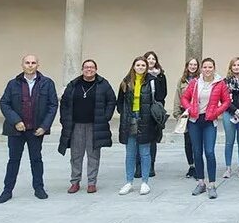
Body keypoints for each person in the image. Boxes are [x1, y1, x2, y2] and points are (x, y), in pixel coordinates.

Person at [0, 55, 58, 204]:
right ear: (22, 65)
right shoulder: (13, 84)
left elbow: (53, 105)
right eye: (27, 63)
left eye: (33, 63)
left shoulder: (47, 83)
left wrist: (44, 126)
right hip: (16, 130)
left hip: (36, 130)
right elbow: (4, 103)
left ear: (38, 65)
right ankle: (7, 191)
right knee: (13, 160)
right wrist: (16, 121)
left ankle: (39, 188)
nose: (30, 65)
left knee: (36, 160)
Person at [58, 59, 116, 194]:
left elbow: (111, 101)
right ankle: (75, 182)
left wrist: (105, 117)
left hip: (94, 125)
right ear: (82, 69)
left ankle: (91, 182)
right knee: (76, 155)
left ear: (96, 69)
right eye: (86, 67)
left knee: (93, 155)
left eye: (91, 67)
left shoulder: (103, 84)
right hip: (76, 125)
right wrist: (64, 120)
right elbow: (65, 104)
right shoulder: (73, 85)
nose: (89, 69)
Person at [180, 58, 231, 199]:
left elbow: (227, 101)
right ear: (201, 69)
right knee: (197, 152)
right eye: (205, 67)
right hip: (195, 121)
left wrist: (216, 112)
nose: (207, 69)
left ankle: (212, 185)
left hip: (210, 121)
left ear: (214, 68)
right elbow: (184, 98)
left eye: (210, 67)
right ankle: (201, 183)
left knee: (209, 152)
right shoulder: (195, 83)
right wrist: (190, 108)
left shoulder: (220, 84)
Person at [116, 57, 158, 196]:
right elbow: (120, 102)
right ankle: (129, 181)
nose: (140, 67)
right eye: (138, 65)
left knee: (145, 152)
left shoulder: (151, 81)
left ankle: (145, 182)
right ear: (133, 66)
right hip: (130, 119)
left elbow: (156, 99)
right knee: (130, 152)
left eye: (143, 65)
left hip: (145, 119)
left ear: (146, 67)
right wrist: (126, 115)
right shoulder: (126, 81)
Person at [138, 51, 167, 178]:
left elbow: (163, 93)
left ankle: (151, 165)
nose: (150, 61)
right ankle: (138, 166)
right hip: (140, 110)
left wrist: (156, 108)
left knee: (152, 140)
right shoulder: (139, 75)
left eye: (153, 59)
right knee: (138, 139)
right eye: (148, 58)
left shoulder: (160, 75)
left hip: (154, 111)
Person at [173, 58, 199, 179]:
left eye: (195, 65)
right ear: (187, 66)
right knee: (188, 142)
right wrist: (177, 113)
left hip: (198, 113)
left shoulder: (201, 80)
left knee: (197, 142)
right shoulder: (182, 81)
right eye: (191, 64)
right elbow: (178, 96)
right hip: (186, 114)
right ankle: (191, 166)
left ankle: (199, 165)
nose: (193, 66)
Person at [223, 57, 239, 179]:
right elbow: (223, 99)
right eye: (234, 65)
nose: (237, 67)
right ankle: (228, 168)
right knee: (229, 142)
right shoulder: (225, 82)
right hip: (229, 113)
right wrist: (234, 110)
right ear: (231, 67)